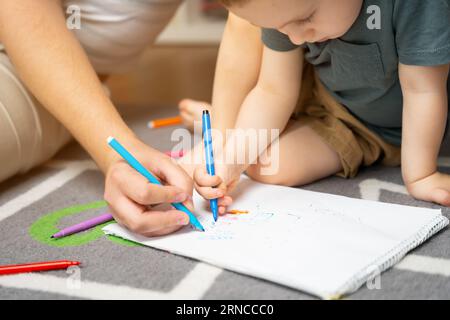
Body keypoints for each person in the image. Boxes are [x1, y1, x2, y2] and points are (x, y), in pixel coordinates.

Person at [189, 0, 450, 211]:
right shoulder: (283, 12)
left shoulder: (417, 5)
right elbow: (273, 91)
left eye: (305, 19)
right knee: (254, 158)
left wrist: (420, 175)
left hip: (380, 129)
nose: (296, 37)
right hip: (322, 94)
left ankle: (234, 125)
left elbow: (423, 90)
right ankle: (224, 132)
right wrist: (229, 165)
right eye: (280, 28)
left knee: (269, 164)